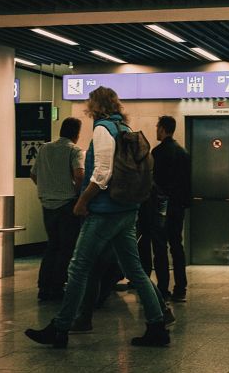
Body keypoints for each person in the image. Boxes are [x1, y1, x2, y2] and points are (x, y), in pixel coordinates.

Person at [25, 86, 171, 348]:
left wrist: (82, 201)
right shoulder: (124, 128)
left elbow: (102, 173)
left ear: (95, 105)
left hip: (105, 211)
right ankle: (157, 324)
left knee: (78, 267)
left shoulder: (103, 129)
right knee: (134, 269)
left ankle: (60, 327)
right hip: (127, 209)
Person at [31, 117, 84, 301]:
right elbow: (79, 175)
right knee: (66, 247)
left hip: (47, 204)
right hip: (67, 204)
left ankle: (43, 287)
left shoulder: (44, 148)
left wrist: (47, 189)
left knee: (52, 245)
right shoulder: (74, 150)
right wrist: (79, 195)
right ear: (77, 133)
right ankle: (57, 287)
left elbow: (33, 174)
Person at [140, 115, 191, 302]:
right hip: (177, 206)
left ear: (162, 129)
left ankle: (163, 289)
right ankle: (180, 288)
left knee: (160, 247)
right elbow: (187, 183)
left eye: (157, 127)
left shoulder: (157, 152)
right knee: (177, 246)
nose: (156, 130)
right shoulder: (183, 152)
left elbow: (152, 181)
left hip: (160, 206)